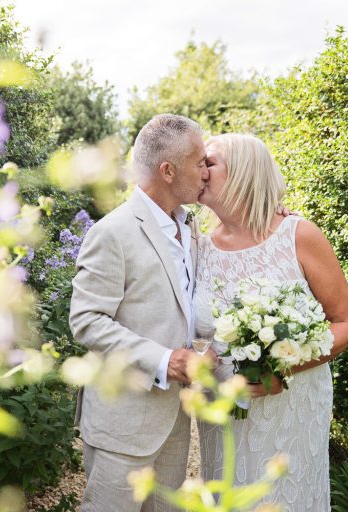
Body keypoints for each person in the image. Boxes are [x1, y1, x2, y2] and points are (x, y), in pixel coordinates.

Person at [194, 133, 348, 511]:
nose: (199, 171)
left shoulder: (299, 235)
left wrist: (281, 368)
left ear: (243, 173)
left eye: (210, 162)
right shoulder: (197, 246)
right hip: (223, 410)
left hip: (291, 406)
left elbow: (347, 322)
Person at [69, 113, 214, 511]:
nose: (207, 171)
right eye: (199, 161)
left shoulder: (191, 229)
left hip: (173, 420)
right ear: (168, 170)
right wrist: (165, 360)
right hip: (122, 421)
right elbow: (87, 320)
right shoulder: (111, 232)